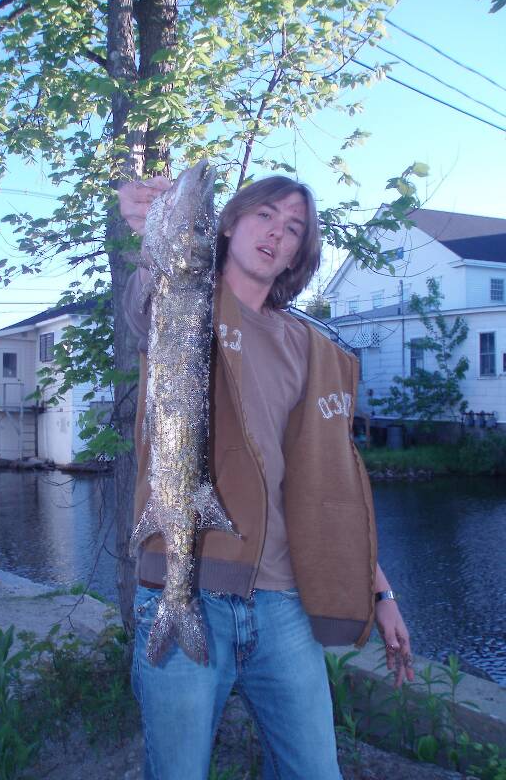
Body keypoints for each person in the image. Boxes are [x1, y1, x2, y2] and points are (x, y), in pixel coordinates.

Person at [119, 173, 414, 780]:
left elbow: (323, 487)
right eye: (266, 215)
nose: (277, 232)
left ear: (298, 254)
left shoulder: (306, 345)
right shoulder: (181, 298)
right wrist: (145, 229)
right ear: (228, 223)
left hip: (284, 604)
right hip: (187, 584)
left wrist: (379, 590)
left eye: (294, 228)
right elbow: (146, 297)